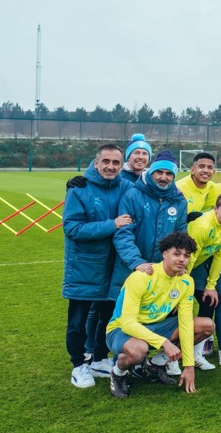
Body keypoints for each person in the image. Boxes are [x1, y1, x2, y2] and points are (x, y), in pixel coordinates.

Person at [105, 232, 215, 398]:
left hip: (157, 326)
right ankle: (118, 373)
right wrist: (164, 342)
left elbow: (185, 323)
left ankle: (155, 364)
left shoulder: (186, 281)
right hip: (122, 329)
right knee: (138, 349)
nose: (182, 259)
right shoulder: (141, 277)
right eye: (176, 253)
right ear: (164, 254)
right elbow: (128, 323)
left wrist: (189, 365)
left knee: (206, 325)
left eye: (186, 256)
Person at [63, 143, 133, 388]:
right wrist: (111, 224)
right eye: (106, 161)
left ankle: (100, 359)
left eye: (116, 162)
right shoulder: (79, 189)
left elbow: (155, 192)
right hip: (85, 267)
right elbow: (72, 229)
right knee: (78, 321)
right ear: (96, 163)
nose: (111, 166)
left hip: (115, 267)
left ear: (122, 165)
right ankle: (78, 365)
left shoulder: (127, 186)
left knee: (108, 317)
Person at [112, 150, 189, 314]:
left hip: (163, 272)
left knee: (155, 318)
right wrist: (136, 262)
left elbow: (181, 237)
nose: (163, 177)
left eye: (169, 173)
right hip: (131, 268)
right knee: (122, 318)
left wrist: (179, 262)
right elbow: (123, 234)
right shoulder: (132, 195)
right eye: (159, 172)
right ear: (151, 172)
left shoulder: (179, 200)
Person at [186, 192, 221, 369]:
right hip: (181, 267)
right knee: (175, 308)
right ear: (214, 209)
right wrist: (182, 286)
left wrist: (211, 286)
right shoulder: (202, 226)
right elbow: (188, 258)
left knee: (208, 300)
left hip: (200, 265)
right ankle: (167, 359)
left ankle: (197, 355)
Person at [176, 151, 217, 216]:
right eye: (201, 166)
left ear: (213, 172)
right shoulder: (178, 189)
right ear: (192, 170)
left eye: (210, 167)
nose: (206, 171)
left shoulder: (213, 187)